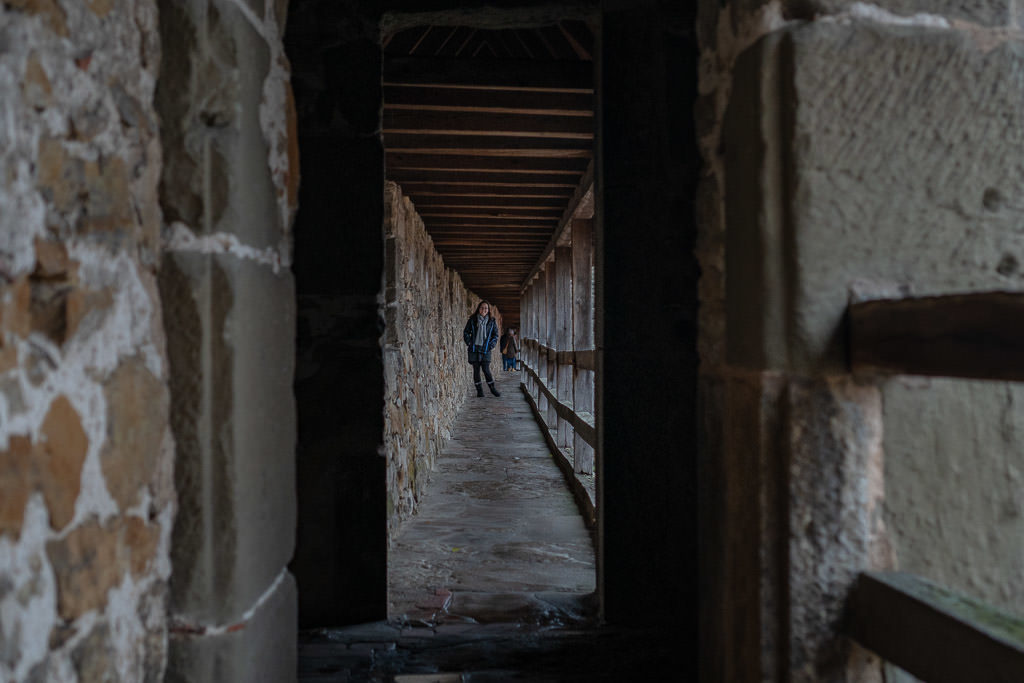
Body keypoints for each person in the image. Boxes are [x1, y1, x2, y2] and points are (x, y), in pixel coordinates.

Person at [462, 301, 501, 397]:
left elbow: (495, 335)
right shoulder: (472, 320)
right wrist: (470, 343)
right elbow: (466, 332)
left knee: (486, 370)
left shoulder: (491, 321)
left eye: (486, 308)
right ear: (479, 308)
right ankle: (479, 391)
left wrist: (491, 345)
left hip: (485, 349)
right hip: (474, 349)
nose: (484, 310)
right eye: (482, 308)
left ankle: (492, 388)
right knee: (476, 370)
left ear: (488, 310)